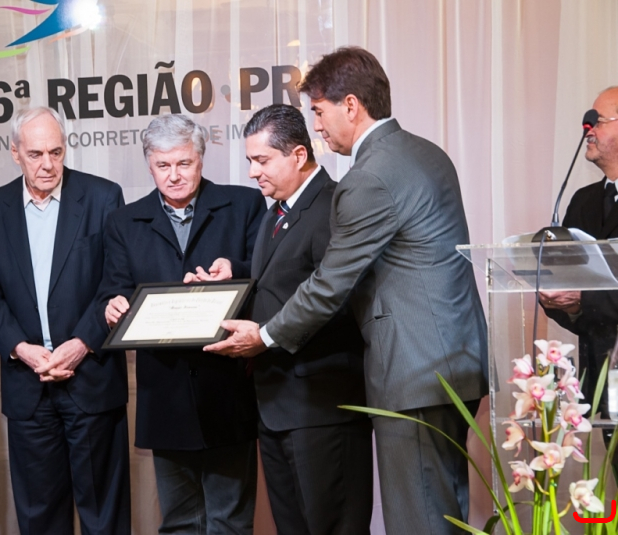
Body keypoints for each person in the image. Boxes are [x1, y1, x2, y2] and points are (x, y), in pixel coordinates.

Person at [206, 47, 488, 535]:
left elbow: (329, 284)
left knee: (418, 521)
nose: (316, 126)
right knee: (442, 513)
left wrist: (265, 336)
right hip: (452, 359)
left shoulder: (368, 177)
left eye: (319, 111)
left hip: (412, 371)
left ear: (351, 106)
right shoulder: (427, 153)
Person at [98, 114, 266, 534]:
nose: (173, 175)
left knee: (230, 522)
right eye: (163, 165)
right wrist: (112, 306)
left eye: (183, 163)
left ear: (201, 160)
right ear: (149, 165)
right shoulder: (123, 222)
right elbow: (112, 290)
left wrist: (235, 269)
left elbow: (269, 275)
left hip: (227, 390)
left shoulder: (244, 205)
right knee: (178, 524)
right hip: (164, 393)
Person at [0, 106, 129, 535]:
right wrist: (21, 349)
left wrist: (81, 343)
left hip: (91, 378)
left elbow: (116, 281)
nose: (47, 164)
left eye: (56, 152)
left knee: (104, 517)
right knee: (39, 517)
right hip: (28, 383)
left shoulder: (102, 196)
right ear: (15, 153)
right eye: (36, 154)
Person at [240, 103, 372, 534]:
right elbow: (280, 283)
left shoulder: (334, 206)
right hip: (276, 406)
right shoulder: (275, 212)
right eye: (250, 161)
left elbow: (337, 299)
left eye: (262, 161)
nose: (253, 173)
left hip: (322, 407)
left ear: (299, 155)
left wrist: (263, 336)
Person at [542, 86, 618, 469]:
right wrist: (564, 302)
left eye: (597, 121)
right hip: (604, 385)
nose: (587, 129)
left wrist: (583, 298)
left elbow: (586, 293)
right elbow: (565, 285)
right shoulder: (582, 202)